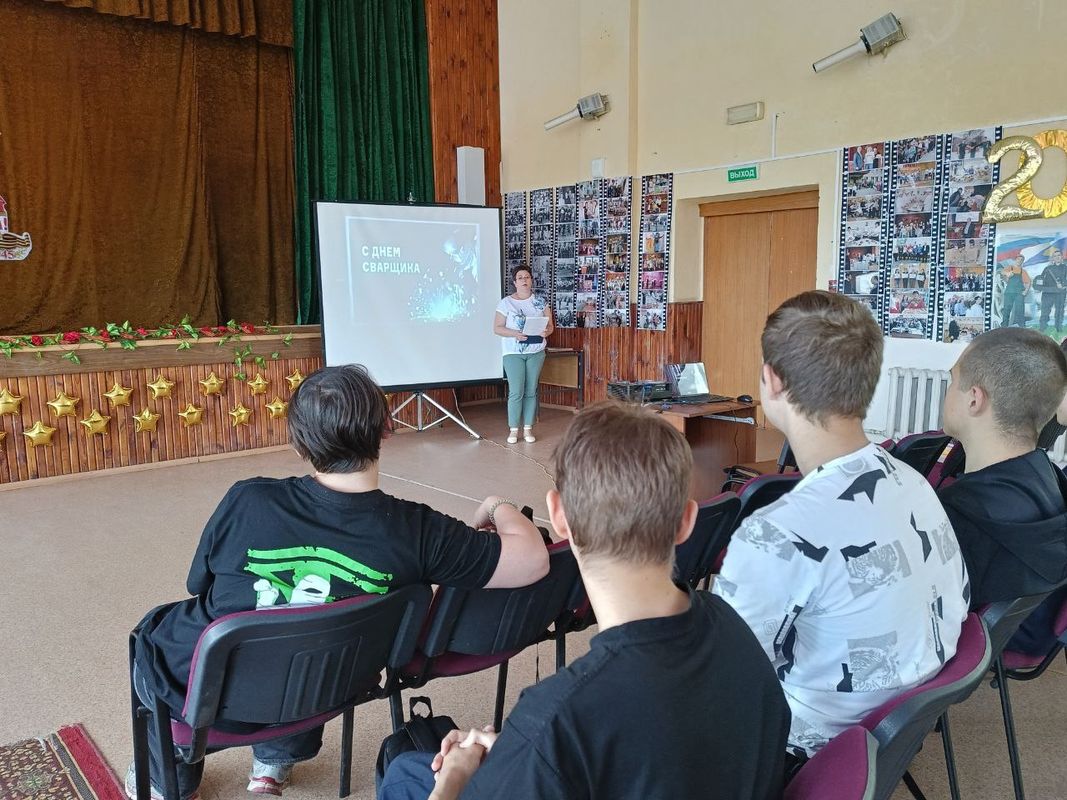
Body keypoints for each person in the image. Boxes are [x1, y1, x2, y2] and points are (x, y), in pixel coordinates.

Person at [128, 365, 550, 800]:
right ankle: (275, 760)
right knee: (313, 643)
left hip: (207, 697)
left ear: (298, 444)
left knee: (151, 643)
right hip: (329, 689)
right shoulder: (420, 532)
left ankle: (169, 783)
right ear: (386, 429)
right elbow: (534, 561)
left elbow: (199, 583)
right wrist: (497, 504)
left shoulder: (246, 499)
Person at [379, 402, 791, 800]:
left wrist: (455, 777)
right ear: (686, 521)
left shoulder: (556, 716)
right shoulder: (732, 624)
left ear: (559, 517)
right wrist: (521, 752)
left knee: (403, 775)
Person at [712, 291, 968, 767]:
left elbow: (721, 676)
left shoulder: (776, 535)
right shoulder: (916, 482)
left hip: (805, 750)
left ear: (773, 380)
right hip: (893, 733)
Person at [939, 328, 1067, 655]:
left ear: (974, 399)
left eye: (953, 381)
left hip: (977, 644)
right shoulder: (1050, 475)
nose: (948, 391)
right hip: (1028, 629)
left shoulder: (954, 516)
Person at [493, 264, 554, 444]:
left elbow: (550, 326)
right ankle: (513, 429)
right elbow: (497, 328)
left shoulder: (541, 302)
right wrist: (515, 334)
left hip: (536, 351)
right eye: (520, 278)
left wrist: (546, 332)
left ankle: (528, 428)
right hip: (513, 352)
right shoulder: (506, 303)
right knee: (516, 390)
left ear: (531, 280)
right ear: (515, 282)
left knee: (531, 390)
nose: (524, 280)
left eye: (527, 277)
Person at [1038, 248, 1067, 334]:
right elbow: (1041, 279)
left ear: (1061, 257)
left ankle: (1058, 328)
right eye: (1055, 256)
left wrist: (1063, 285)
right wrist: (1039, 287)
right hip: (1048, 293)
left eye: (1059, 255)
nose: (1057, 257)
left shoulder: (1065, 268)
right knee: (1045, 311)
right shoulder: (1048, 268)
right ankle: (1042, 328)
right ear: (1053, 258)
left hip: (1060, 293)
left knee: (1059, 311)